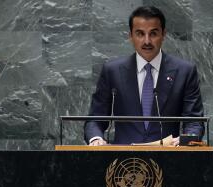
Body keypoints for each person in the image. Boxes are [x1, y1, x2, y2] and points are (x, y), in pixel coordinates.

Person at [84, 6, 204, 146]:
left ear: (163, 34)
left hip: (170, 159)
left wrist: (186, 139)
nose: (147, 41)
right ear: (130, 36)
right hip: (123, 161)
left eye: (153, 34)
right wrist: (96, 139)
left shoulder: (185, 71)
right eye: (140, 34)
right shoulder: (112, 71)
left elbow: (194, 121)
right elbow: (95, 119)